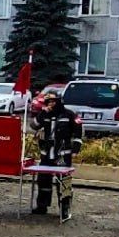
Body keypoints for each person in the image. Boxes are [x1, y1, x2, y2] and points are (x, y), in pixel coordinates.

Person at [31, 89, 83, 219]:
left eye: (53, 101)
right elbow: (34, 125)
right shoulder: (44, 114)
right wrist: (42, 113)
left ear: (59, 101)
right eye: (48, 101)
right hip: (46, 154)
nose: (51, 104)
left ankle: (64, 209)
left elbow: (78, 133)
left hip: (62, 156)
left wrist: (75, 149)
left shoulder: (69, 115)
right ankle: (42, 206)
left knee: (63, 182)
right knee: (43, 181)